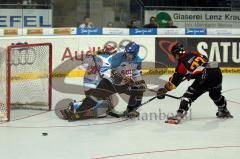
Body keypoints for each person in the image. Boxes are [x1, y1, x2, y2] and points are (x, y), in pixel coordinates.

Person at [61, 42, 146, 120]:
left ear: (135, 53)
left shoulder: (138, 60)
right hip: (109, 83)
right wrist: (113, 74)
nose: (127, 54)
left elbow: (136, 73)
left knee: (139, 90)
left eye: (130, 53)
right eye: (127, 52)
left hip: (123, 84)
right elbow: (106, 68)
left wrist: (140, 82)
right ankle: (78, 111)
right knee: (94, 97)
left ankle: (130, 110)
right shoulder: (118, 57)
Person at [157, 43, 233, 124]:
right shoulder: (194, 53)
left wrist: (165, 89)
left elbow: (174, 81)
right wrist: (193, 74)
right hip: (216, 71)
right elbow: (206, 61)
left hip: (204, 77)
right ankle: (224, 110)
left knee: (188, 96)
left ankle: (179, 115)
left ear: (176, 54)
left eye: (174, 55)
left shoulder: (182, 64)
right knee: (215, 95)